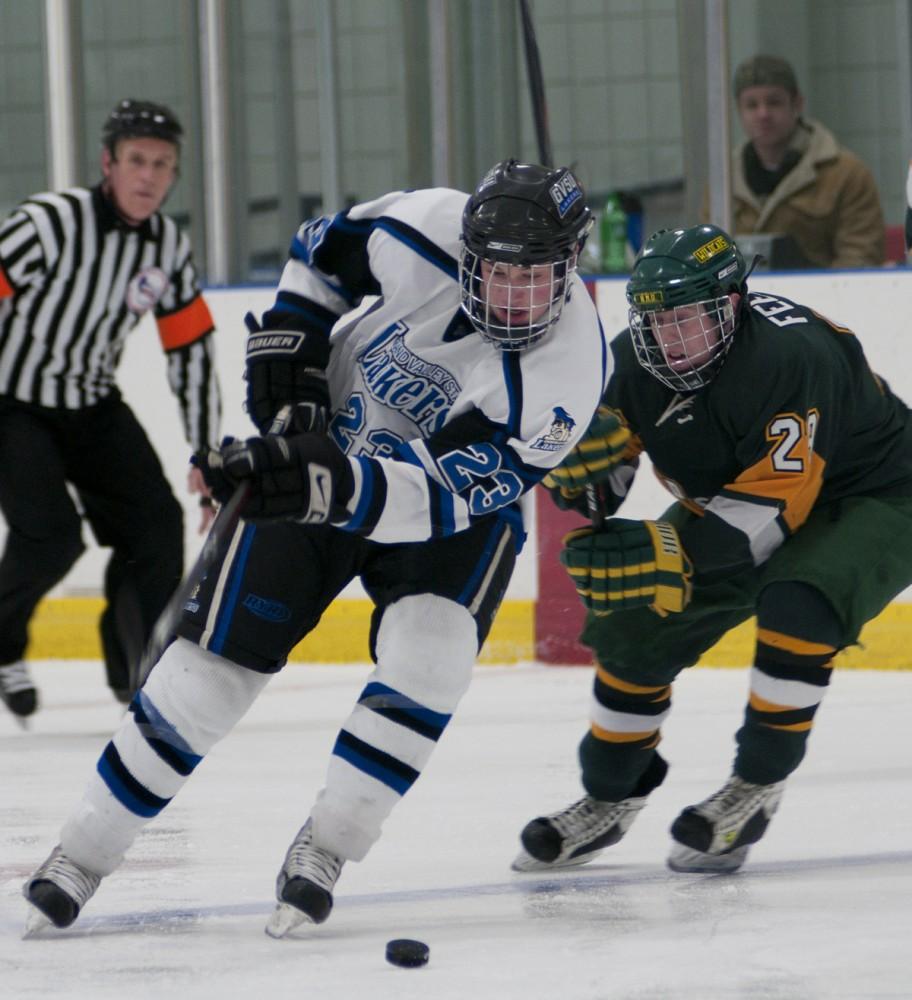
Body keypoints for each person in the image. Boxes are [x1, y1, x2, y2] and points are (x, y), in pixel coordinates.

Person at [21, 159, 610, 936]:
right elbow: (318, 251)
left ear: (571, 267)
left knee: (429, 655)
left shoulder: (566, 376)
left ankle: (330, 844)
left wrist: (317, 484)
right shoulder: (425, 222)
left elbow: (434, 496)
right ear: (466, 248)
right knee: (207, 677)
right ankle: (84, 851)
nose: (511, 297)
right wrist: (295, 342)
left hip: (447, 521)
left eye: (535, 279)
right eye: (496, 272)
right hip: (328, 439)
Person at [512, 223, 912, 875]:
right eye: (656, 320)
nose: (669, 338)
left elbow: (772, 512)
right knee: (634, 619)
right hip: (748, 498)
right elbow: (604, 482)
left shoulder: (791, 358)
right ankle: (609, 796)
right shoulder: (631, 366)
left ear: (731, 304)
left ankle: (753, 789)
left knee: (799, 602)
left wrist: (668, 549)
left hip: (875, 494)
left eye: (687, 319)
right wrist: (581, 477)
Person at [0, 99, 221, 720]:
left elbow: (191, 353)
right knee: (50, 538)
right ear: (108, 163)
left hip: (93, 405)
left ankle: (134, 672)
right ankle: (2, 644)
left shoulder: (167, 247)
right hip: (13, 403)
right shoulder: (50, 223)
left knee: (153, 526)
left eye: (162, 164)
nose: (148, 176)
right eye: (136, 161)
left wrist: (205, 452)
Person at [728, 54, 885, 268]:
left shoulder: (846, 173)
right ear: (738, 110)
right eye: (751, 105)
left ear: (797, 103)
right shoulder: (724, 178)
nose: (763, 114)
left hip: (824, 299)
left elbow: (860, 258)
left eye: (774, 102)